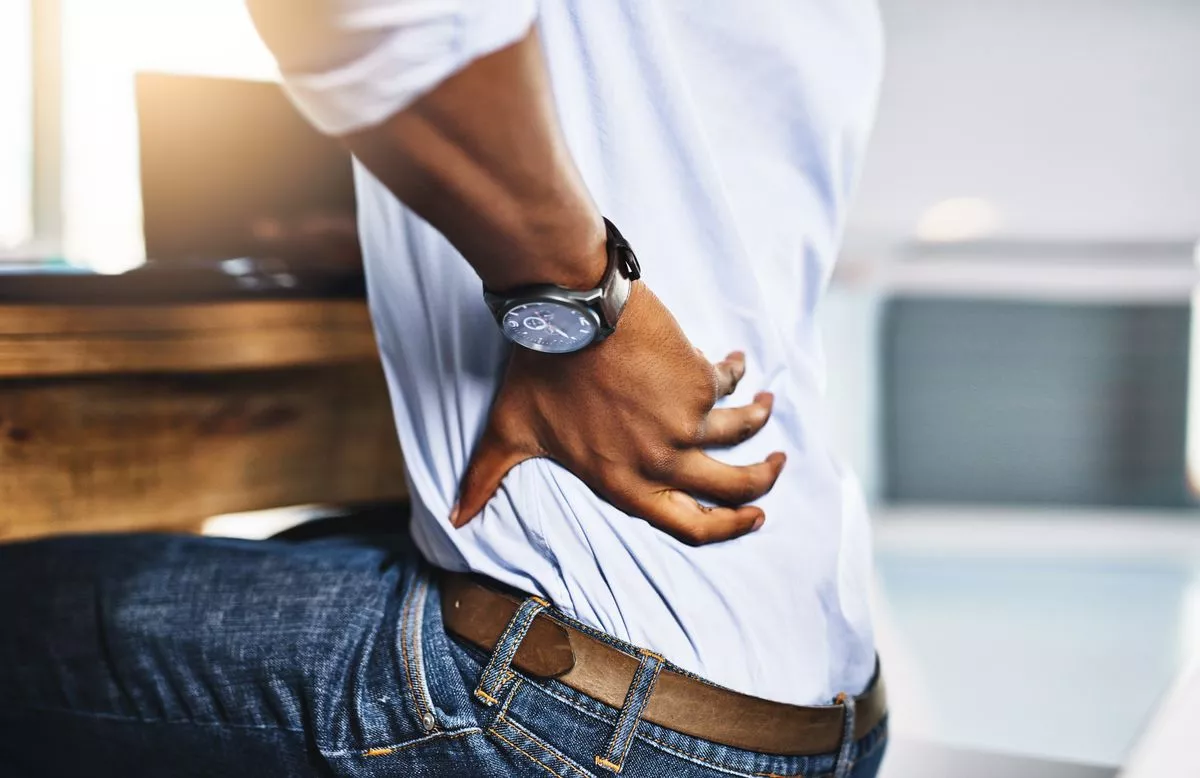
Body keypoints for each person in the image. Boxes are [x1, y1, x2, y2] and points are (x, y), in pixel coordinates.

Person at [0, 2, 887, 776]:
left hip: (588, 719)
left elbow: (385, 18)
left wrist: (577, 297)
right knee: (308, 542)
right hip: (823, 704)